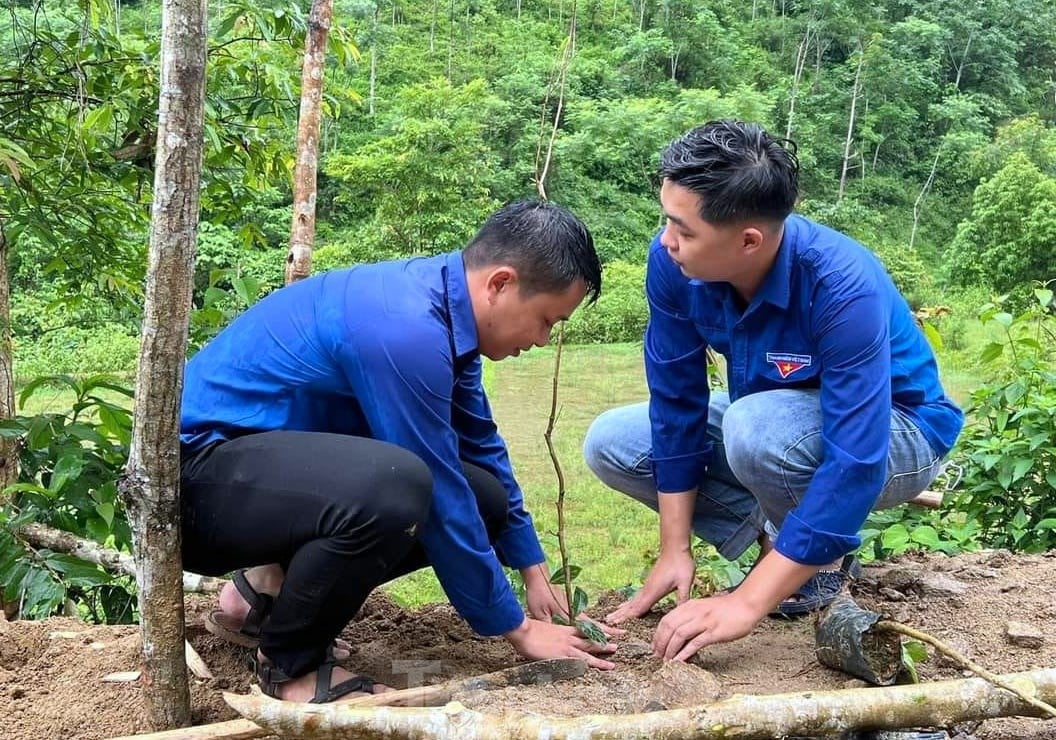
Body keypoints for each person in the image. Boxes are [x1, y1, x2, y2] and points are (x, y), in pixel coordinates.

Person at [180, 200, 619, 704]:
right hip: (195, 489)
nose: (543, 339)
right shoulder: (405, 328)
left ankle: (256, 599)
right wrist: (515, 627)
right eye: (546, 320)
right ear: (501, 284)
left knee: (485, 496)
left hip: (256, 480)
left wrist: (533, 571)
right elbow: (438, 485)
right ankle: (292, 669)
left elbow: (480, 446)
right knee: (399, 484)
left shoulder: (445, 319)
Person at [583, 120, 964, 662]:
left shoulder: (839, 284)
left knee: (755, 427)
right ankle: (780, 553)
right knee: (614, 441)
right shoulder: (672, 264)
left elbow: (856, 456)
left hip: (898, 431)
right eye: (666, 220)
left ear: (749, 241)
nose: (667, 241)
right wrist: (675, 547)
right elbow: (676, 401)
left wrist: (745, 604)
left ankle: (815, 570)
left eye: (684, 230)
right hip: (772, 423)